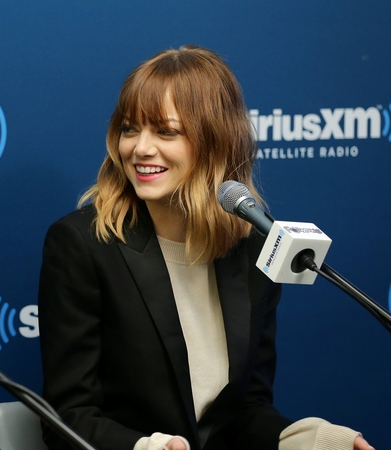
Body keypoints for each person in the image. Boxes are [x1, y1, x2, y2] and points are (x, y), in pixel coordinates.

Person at [37, 45, 374, 450]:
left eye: (166, 131)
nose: (140, 148)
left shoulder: (255, 248)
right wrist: (146, 447)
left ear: (215, 141)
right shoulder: (84, 244)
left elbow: (244, 412)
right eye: (129, 128)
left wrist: (311, 439)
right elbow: (67, 419)